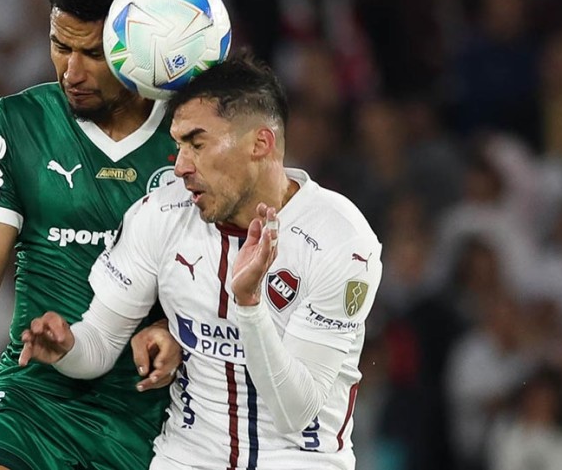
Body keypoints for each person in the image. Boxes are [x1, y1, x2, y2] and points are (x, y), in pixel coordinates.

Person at [19, 56, 384, 469]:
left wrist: (249, 307)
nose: (180, 167)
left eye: (197, 144)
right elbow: (100, 342)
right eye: (178, 145)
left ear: (260, 144)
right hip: (186, 458)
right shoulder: (160, 214)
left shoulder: (340, 239)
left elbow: (295, 412)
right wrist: (68, 348)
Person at [0, 0, 182, 470]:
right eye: (60, 46)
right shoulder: (19, 125)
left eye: (94, 54)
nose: (71, 72)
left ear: (142, 43)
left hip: (153, 410)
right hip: (36, 395)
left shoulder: (191, 135)